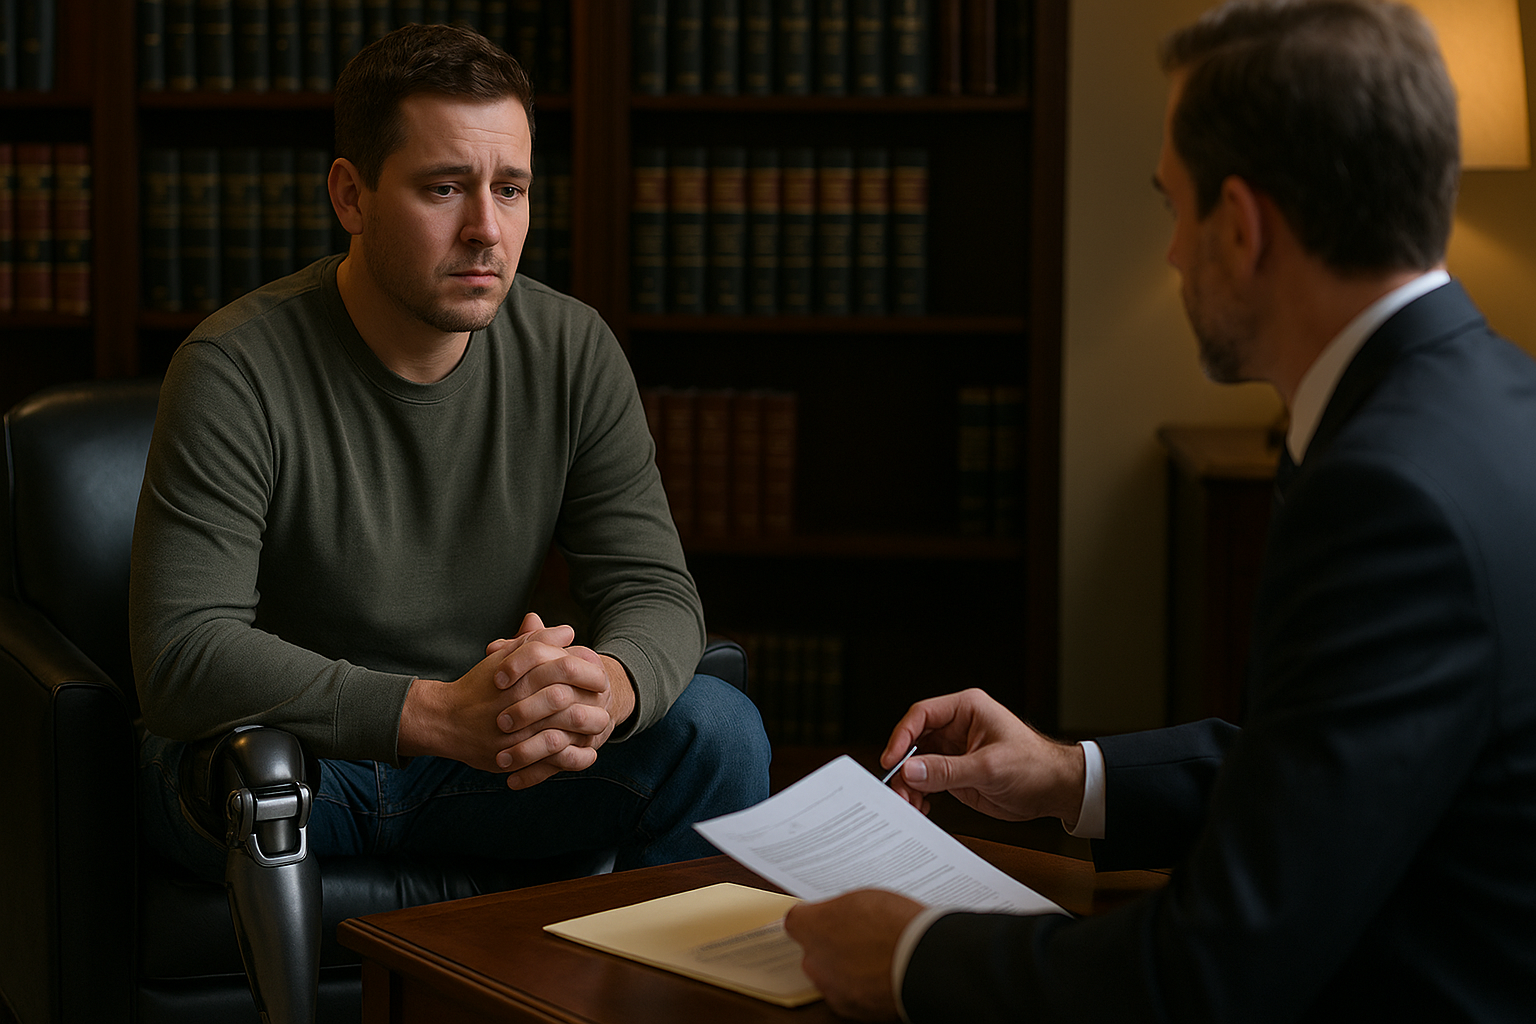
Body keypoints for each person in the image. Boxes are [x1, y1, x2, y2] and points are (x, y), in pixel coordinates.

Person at [783, 1, 1536, 1020]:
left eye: (1174, 208)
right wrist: (1070, 775)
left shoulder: (1385, 490)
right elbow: (1341, 774)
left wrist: (911, 958)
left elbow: (1215, 970)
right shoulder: (1493, 402)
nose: (1176, 253)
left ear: (1241, 224)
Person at [131, 23, 769, 885]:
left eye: (510, 189)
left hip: (492, 761)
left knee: (719, 726)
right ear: (351, 197)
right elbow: (184, 653)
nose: (485, 229)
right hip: (303, 766)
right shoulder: (235, 367)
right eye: (444, 188)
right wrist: (432, 713)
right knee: (249, 778)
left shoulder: (573, 349)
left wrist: (604, 688)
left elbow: (652, 587)